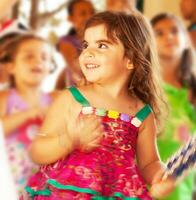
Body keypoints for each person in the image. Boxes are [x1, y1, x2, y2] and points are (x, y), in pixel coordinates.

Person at [21, 11, 177, 200]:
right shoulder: (73, 99)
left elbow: (149, 163)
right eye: (86, 45)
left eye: (102, 45)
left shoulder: (142, 114)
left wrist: (161, 177)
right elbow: (37, 151)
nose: (88, 52)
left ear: (131, 59)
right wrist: (68, 140)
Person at [0, 33, 55, 195]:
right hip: (12, 176)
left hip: (43, 174)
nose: (37, 61)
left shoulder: (53, 100)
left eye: (44, 57)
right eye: (28, 56)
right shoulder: (5, 98)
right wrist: (28, 114)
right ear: (11, 66)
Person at [151, 13, 196, 200]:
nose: (169, 36)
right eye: (159, 33)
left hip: (182, 192)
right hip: (143, 190)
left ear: (186, 40)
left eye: (174, 31)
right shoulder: (143, 89)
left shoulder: (193, 90)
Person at [56, 0, 95, 89]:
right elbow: (79, 69)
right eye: (83, 13)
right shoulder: (66, 42)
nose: (90, 16)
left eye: (92, 12)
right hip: (79, 95)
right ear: (70, 18)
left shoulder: (103, 38)